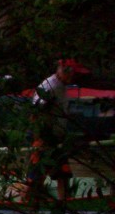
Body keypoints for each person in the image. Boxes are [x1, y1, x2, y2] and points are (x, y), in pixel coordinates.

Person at [23, 58, 90, 203]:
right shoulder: (51, 87)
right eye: (73, 73)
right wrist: (38, 139)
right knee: (38, 172)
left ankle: (64, 203)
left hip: (54, 136)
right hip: (44, 135)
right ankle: (26, 200)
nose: (75, 77)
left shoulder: (61, 86)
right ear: (66, 72)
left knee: (62, 173)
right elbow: (36, 113)